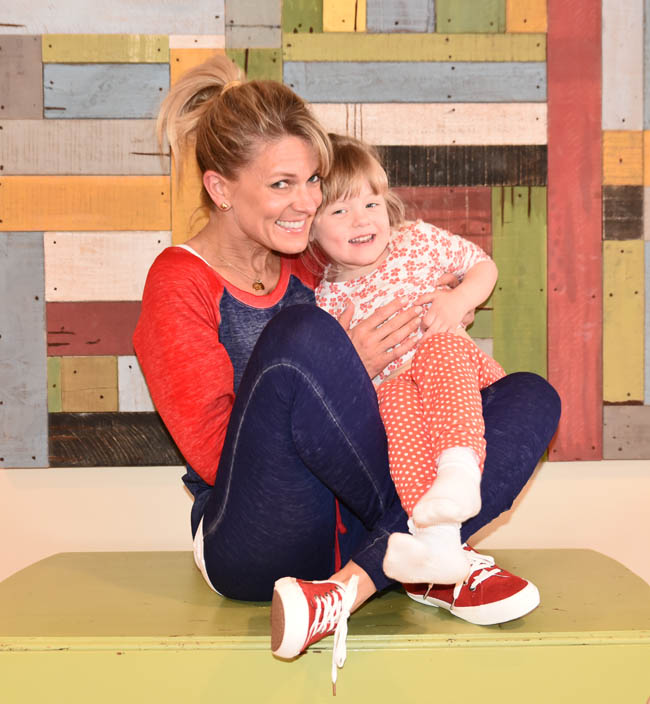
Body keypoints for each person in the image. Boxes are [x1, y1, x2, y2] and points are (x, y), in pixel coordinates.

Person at [133, 55, 561, 688]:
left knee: (530, 395)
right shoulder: (179, 282)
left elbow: (420, 274)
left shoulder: (317, 257)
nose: (308, 201)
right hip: (256, 537)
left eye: (313, 180)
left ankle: (361, 580)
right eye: (282, 184)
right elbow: (218, 456)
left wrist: (438, 316)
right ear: (220, 189)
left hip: (360, 519)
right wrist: (341, 371)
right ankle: (429, 551)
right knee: (303, 336)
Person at [312, 133, 512, 588]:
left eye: (371, 204)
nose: (361, 219)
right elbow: (339, 385)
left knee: (437, 346)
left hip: (463, 379)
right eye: (339, 211)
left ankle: (460, 470)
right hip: (408, 401)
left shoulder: (416, 241)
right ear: (311, 228)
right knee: (394, 404)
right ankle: (435, 543)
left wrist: (459, 299)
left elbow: (484, 266)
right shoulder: (325, 300)